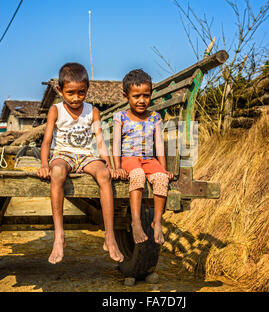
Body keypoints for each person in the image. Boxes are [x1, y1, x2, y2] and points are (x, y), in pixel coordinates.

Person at [37, 62, 124, 264]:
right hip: (63, 154)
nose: (76, 98)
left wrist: (110, 166)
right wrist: (44, 164)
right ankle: (59, 235)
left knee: (104, 175)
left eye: (81, 92)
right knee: (57, 172)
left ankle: (110, 236)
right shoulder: (55, 110)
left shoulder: (92, 111)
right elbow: (47, 141)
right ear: (60, 90)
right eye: (71, 93)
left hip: (86, 156)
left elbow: (100, 140)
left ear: (87, 89)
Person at [113, 69, 174, 245]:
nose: (142, 100)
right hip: (129, 159)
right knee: (138, 175)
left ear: (151, 95)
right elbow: (116, 144)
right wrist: (118, 167)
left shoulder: (155, 117)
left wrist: (163, 168)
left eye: (146, 96)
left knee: (162, 178)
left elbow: (159, 145)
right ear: (126, 96)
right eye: (136, 96)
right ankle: (136, 221)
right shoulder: (121, 117)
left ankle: (157, 221)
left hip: (148, 160)